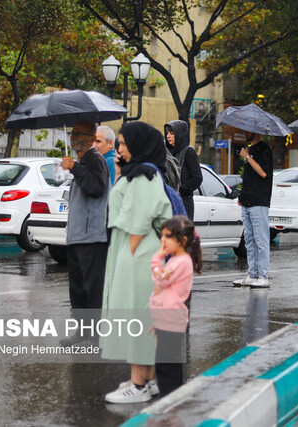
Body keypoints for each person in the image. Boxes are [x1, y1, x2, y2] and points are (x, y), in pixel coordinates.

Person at [101, 121, 173, 404]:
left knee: (137, 317)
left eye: (123, 143)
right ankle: (148, 380)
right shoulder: (137, 173)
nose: (119, 148)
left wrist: (126, 261)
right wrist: (119, 172)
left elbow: (138, 223)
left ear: (139, 146)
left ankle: (138, 385)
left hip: (139, 253)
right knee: (142, 317)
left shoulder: (144, 177)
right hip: (138, 252)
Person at [59, 120, 109, 346]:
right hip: (77, 236)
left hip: (92, 237)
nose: (73, 137)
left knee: (92, 288)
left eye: (78, 134)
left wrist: (75, 168)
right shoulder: (81, 161)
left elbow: (97, 188)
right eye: (72, 133)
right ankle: (81, 333)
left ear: (90, 139)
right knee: (77, 288)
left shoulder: (95, 158)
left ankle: (95, 336)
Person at [150, 216, 202, 397]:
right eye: (162, 235)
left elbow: (160, 280)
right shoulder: (175, 260)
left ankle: (172, 404)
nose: (162, 240)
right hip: (165, 320)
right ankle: (172, 401)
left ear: (183, 240)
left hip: (171, 321)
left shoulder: (181, 262)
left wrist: (156, 259)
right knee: (164, 365)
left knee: (168, 368)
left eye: (168, 236)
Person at [232, 132, 274, 288]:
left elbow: (263, 173)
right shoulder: (249, 150)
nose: (245, 133)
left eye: (248, 130)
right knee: (249, 239)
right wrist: (242, 197)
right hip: (247, 202)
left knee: (261, 239)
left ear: (256, 132)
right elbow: (249, 177)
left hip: (259, 202)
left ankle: (263, 276)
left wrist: (248, 157)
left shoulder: (264, 149)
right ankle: (252, 274)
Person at [164, 120, 203, 219]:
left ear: (179, 134)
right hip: (169, 200)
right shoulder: (168, 152)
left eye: (172, 133)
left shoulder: (189, 152)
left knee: (182, 232)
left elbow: (197, 178)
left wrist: (182, 190)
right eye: (167, 133)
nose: (168, 136)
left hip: (184, 201)